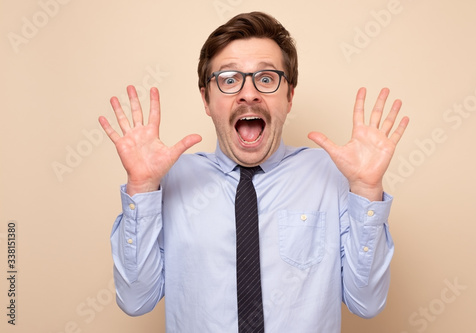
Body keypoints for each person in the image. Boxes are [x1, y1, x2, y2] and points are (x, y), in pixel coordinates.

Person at [98, 11, 409, 333]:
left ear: (289, 96)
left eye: (266, 78)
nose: (249, 93)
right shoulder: (171, 180)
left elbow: (367, 303)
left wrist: (366, 188)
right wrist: (143, 186)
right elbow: (136, 301)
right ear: (206, 99)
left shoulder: (332, 177)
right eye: (229, 79)